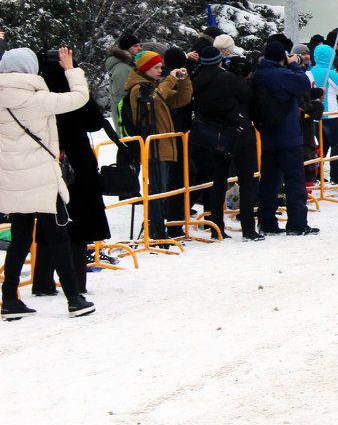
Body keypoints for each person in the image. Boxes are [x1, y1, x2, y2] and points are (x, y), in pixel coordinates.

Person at [0, 47, 94, 319]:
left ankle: (9, 299)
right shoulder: (35, 99)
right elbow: (79, 97)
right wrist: (70, 69)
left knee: (19, 239)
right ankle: (74, 298)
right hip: (42, 177)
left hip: (12, 178)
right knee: (58, 237)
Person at [29, 50, 113, 298]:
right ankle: (76, 282)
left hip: (47, 158)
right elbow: (94, 122)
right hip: (78, 161)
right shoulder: (72, 92)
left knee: (48, 222)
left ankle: (42, 281)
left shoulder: (38, 91)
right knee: (81, 222)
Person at [190, 45, 261, 240]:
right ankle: (248, 228)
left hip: (213, 135)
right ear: (219, 61)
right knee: (246, 181)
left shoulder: (196, 79)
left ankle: (216, 227)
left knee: (218, 182)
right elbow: (247, 96)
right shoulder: (228, 78)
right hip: (238, 133)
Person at [124, 49, 193, 239]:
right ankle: (156, 229)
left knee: (162, 190)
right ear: (145, 69)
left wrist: (184, 80)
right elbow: (152, 101)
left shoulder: (155, 86)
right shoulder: (139, 88)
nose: (160, 70)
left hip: (163, 144)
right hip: (153, 145)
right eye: (156, 67)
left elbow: (181, 99)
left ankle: (158, 228)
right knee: (157, 190)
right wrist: (170, 80)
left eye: (161, 67)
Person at [254, 41, 320, 236]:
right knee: (294, 181)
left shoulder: (258, 74)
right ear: (282, 58)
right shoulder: (281, 74)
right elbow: (303, 83)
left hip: (267, 134)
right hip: (288, 136)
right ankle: (297, 224)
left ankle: (267, 222)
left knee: (268, 182)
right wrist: (293, 64)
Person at [309, 43, 338, 187]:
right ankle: (336, 175)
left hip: (316, 114)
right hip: (331, 113)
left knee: (321, 147)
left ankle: (316, 175)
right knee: (337, 146)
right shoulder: (330, 72)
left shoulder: (309, 71)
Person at [105, 33, 141, 127]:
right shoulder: (122, 68)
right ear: (126, 49)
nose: (140, 48)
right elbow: (121, 98)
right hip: (126, 120)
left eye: (140, 45)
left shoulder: (129, 65)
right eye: (135, 46)